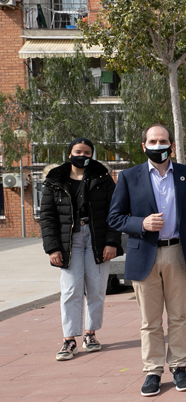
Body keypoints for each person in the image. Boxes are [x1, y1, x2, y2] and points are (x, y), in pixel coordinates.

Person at [108, 124, 186, 396]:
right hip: (145, 255)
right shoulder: (129, 177)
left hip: (179, 253)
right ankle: (152, 371)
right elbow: (114, 218)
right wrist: (142, 222)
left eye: (163, 140)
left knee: (179, 316)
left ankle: (179, 366)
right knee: (150, 320)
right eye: (152, 140)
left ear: (171, 145)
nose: (158, 144)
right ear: (144, 146)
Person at [40, 138, 122, 361]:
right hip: (69, 241)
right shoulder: (54, 180)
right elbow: (47, 217)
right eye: (78, 151)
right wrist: (53, 248)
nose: (82, 155)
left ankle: (90, 334)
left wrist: (112, 242)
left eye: (87, 152)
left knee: (96, 290)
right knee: (70, 290)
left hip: (97, 239)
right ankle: (69, 339)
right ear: (69, 154)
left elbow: (115, 212)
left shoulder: (103, 178)